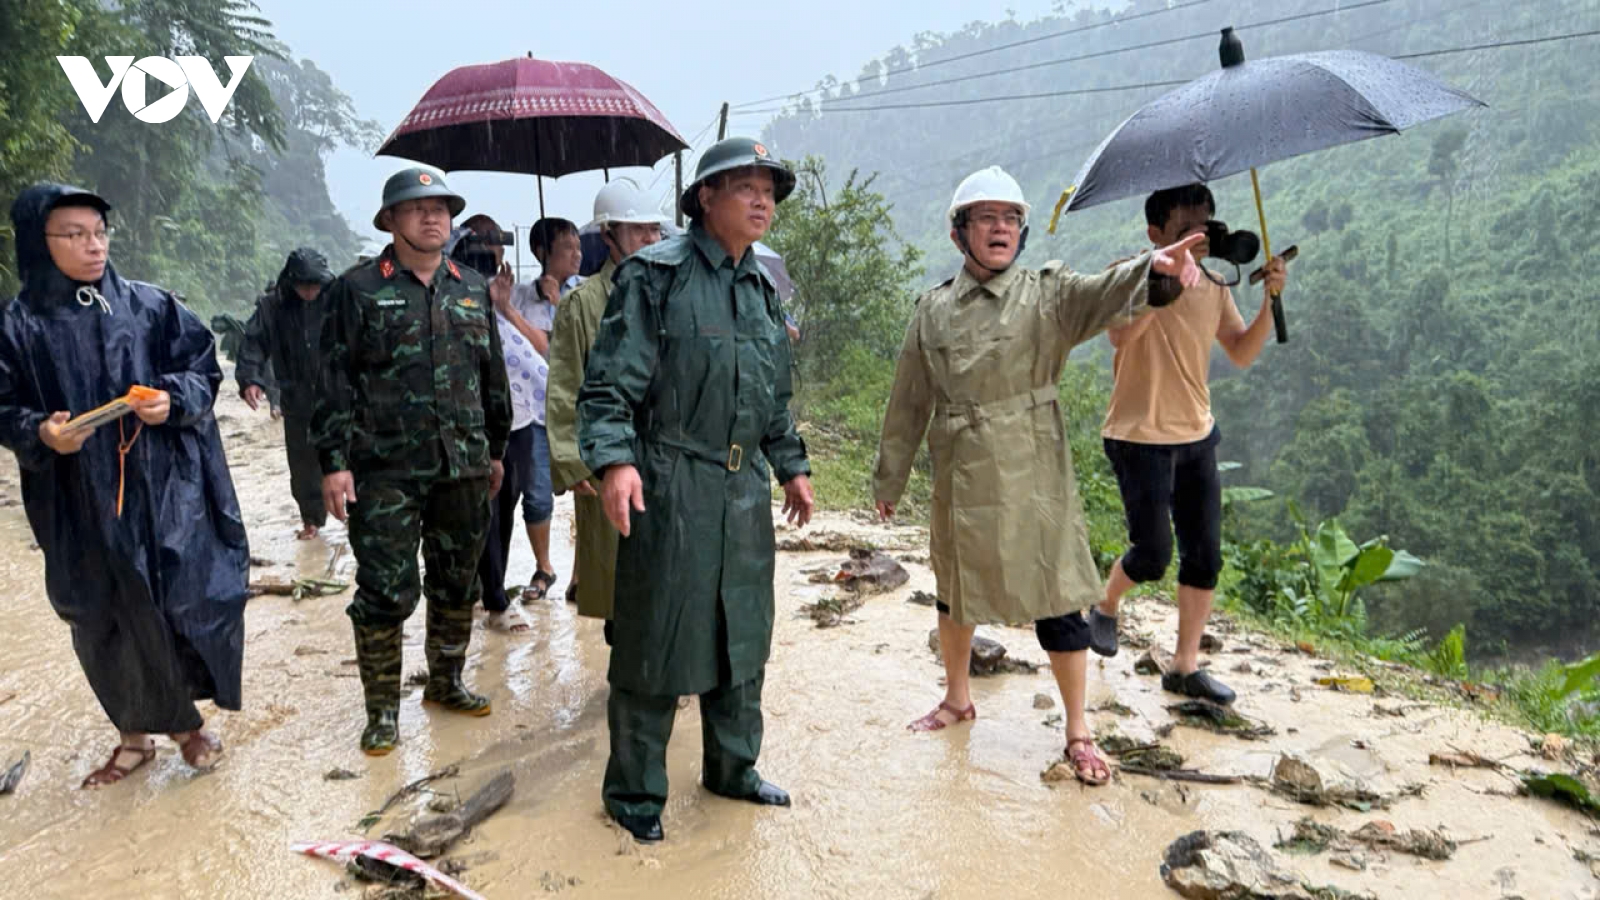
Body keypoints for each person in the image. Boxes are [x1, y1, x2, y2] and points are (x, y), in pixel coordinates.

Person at [872, 165, 1201, 786]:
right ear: (959, 233)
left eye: (1010, 219)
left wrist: (1154, 271)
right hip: (962, 469)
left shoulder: (1048, 294)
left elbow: (1105, 292)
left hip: (1034, 467)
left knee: (1057, 598)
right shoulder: (933, 309)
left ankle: (1078, 731)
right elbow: (909, 399)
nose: (1000, 228)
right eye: (986, 218)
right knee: (956, 588)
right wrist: (890, 479)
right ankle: (956, 699)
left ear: (1022, 233)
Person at [578, 137, 813, 843]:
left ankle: (733, 768)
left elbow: (773, 397)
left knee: (743, 630)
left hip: (743, 490)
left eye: (769, 191)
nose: (762, 201)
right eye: (746, 187)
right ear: (706, 197)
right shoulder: (656, 277)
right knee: (657, 633)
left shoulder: (761, 289)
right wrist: (615, 463)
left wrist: (791, 465)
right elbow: (607, 388)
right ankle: (634, 793)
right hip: (671, 480)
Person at [0, 183, 249, 787]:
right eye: (75, 235)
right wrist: (40, 431)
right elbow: (3, 406)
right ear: (39, 241)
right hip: (74, 498)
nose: (94, 246)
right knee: (99, 615)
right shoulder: (16, 325)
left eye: (100, 233)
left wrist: (172, 398)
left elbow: (202, 368)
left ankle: (186, 727)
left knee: (174, 599)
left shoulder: (148, 305)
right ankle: (136, 738)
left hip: (160, 487)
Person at [311, 167, 511, 756]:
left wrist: (496, 449)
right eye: (418, 208)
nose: (432, 217)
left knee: (457, 580)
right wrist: (333, 462)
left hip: (463, 463)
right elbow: (332, 381)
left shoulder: (471, 288)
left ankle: (446, 682)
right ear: (390, 220)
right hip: (384, 470)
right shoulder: (356, 290)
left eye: (441, 208)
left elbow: (492, 375)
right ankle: (381, 712)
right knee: (385, 590)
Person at [1089, 183, 1287, 706]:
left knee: (1204, 556)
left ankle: (1184, 666)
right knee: (1153, 555)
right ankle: (1105, 603)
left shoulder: (1215, 284)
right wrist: (1167, 283)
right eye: (1185, 230)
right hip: (1138, 436)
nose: (1198, 238)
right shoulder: (1128, 273)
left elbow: (1240, 351)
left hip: (1197, 435)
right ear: (1155, 233)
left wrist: (1270, 301)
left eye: (1205, 226)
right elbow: (1119, 337)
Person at [546, 177, 668, 632]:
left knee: (669, 573)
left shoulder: (674, 292)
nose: (650, 240)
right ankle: (626, 662)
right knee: (618, 578)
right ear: (609, 234)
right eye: (638, 230)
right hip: (608, 457)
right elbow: (565, 385)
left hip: (669, 456)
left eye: (654, 230)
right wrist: (572, 460)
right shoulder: (582, 304)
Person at [451, 214, 538, 635]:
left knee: (507, 505)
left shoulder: (513, 292)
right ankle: (493, 597)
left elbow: (539, 350)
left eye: (496, 244)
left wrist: (504, 305)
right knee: (482, 507)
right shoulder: (453, 289)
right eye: (483, 245)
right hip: (472, 421)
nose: (492, 253)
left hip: (516, 419)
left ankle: (489, 584)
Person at [237, 247, 336, 539]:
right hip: (296, 395)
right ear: (291, 282)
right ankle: (312, 520)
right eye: (303, 286)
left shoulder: (337, 300)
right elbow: (253, 344)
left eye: (315, 285)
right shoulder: (273, 306)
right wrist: (250, 380)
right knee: (303, 463)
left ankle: (358, 515)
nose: (310, 292)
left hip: (338, 392)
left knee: (352, 454)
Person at [510, 217, 582, 601]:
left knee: (587, 490)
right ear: (541, 252)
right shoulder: (519, 297)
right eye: (566, 246)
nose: (576, 254)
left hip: (577, 411)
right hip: (534, 412)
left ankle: (581, 574)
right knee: (537, 493)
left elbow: (570, 346)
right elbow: (532, 348)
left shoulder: (583, 293)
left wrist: (560, 304)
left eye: (577, 246)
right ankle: (544, 568)